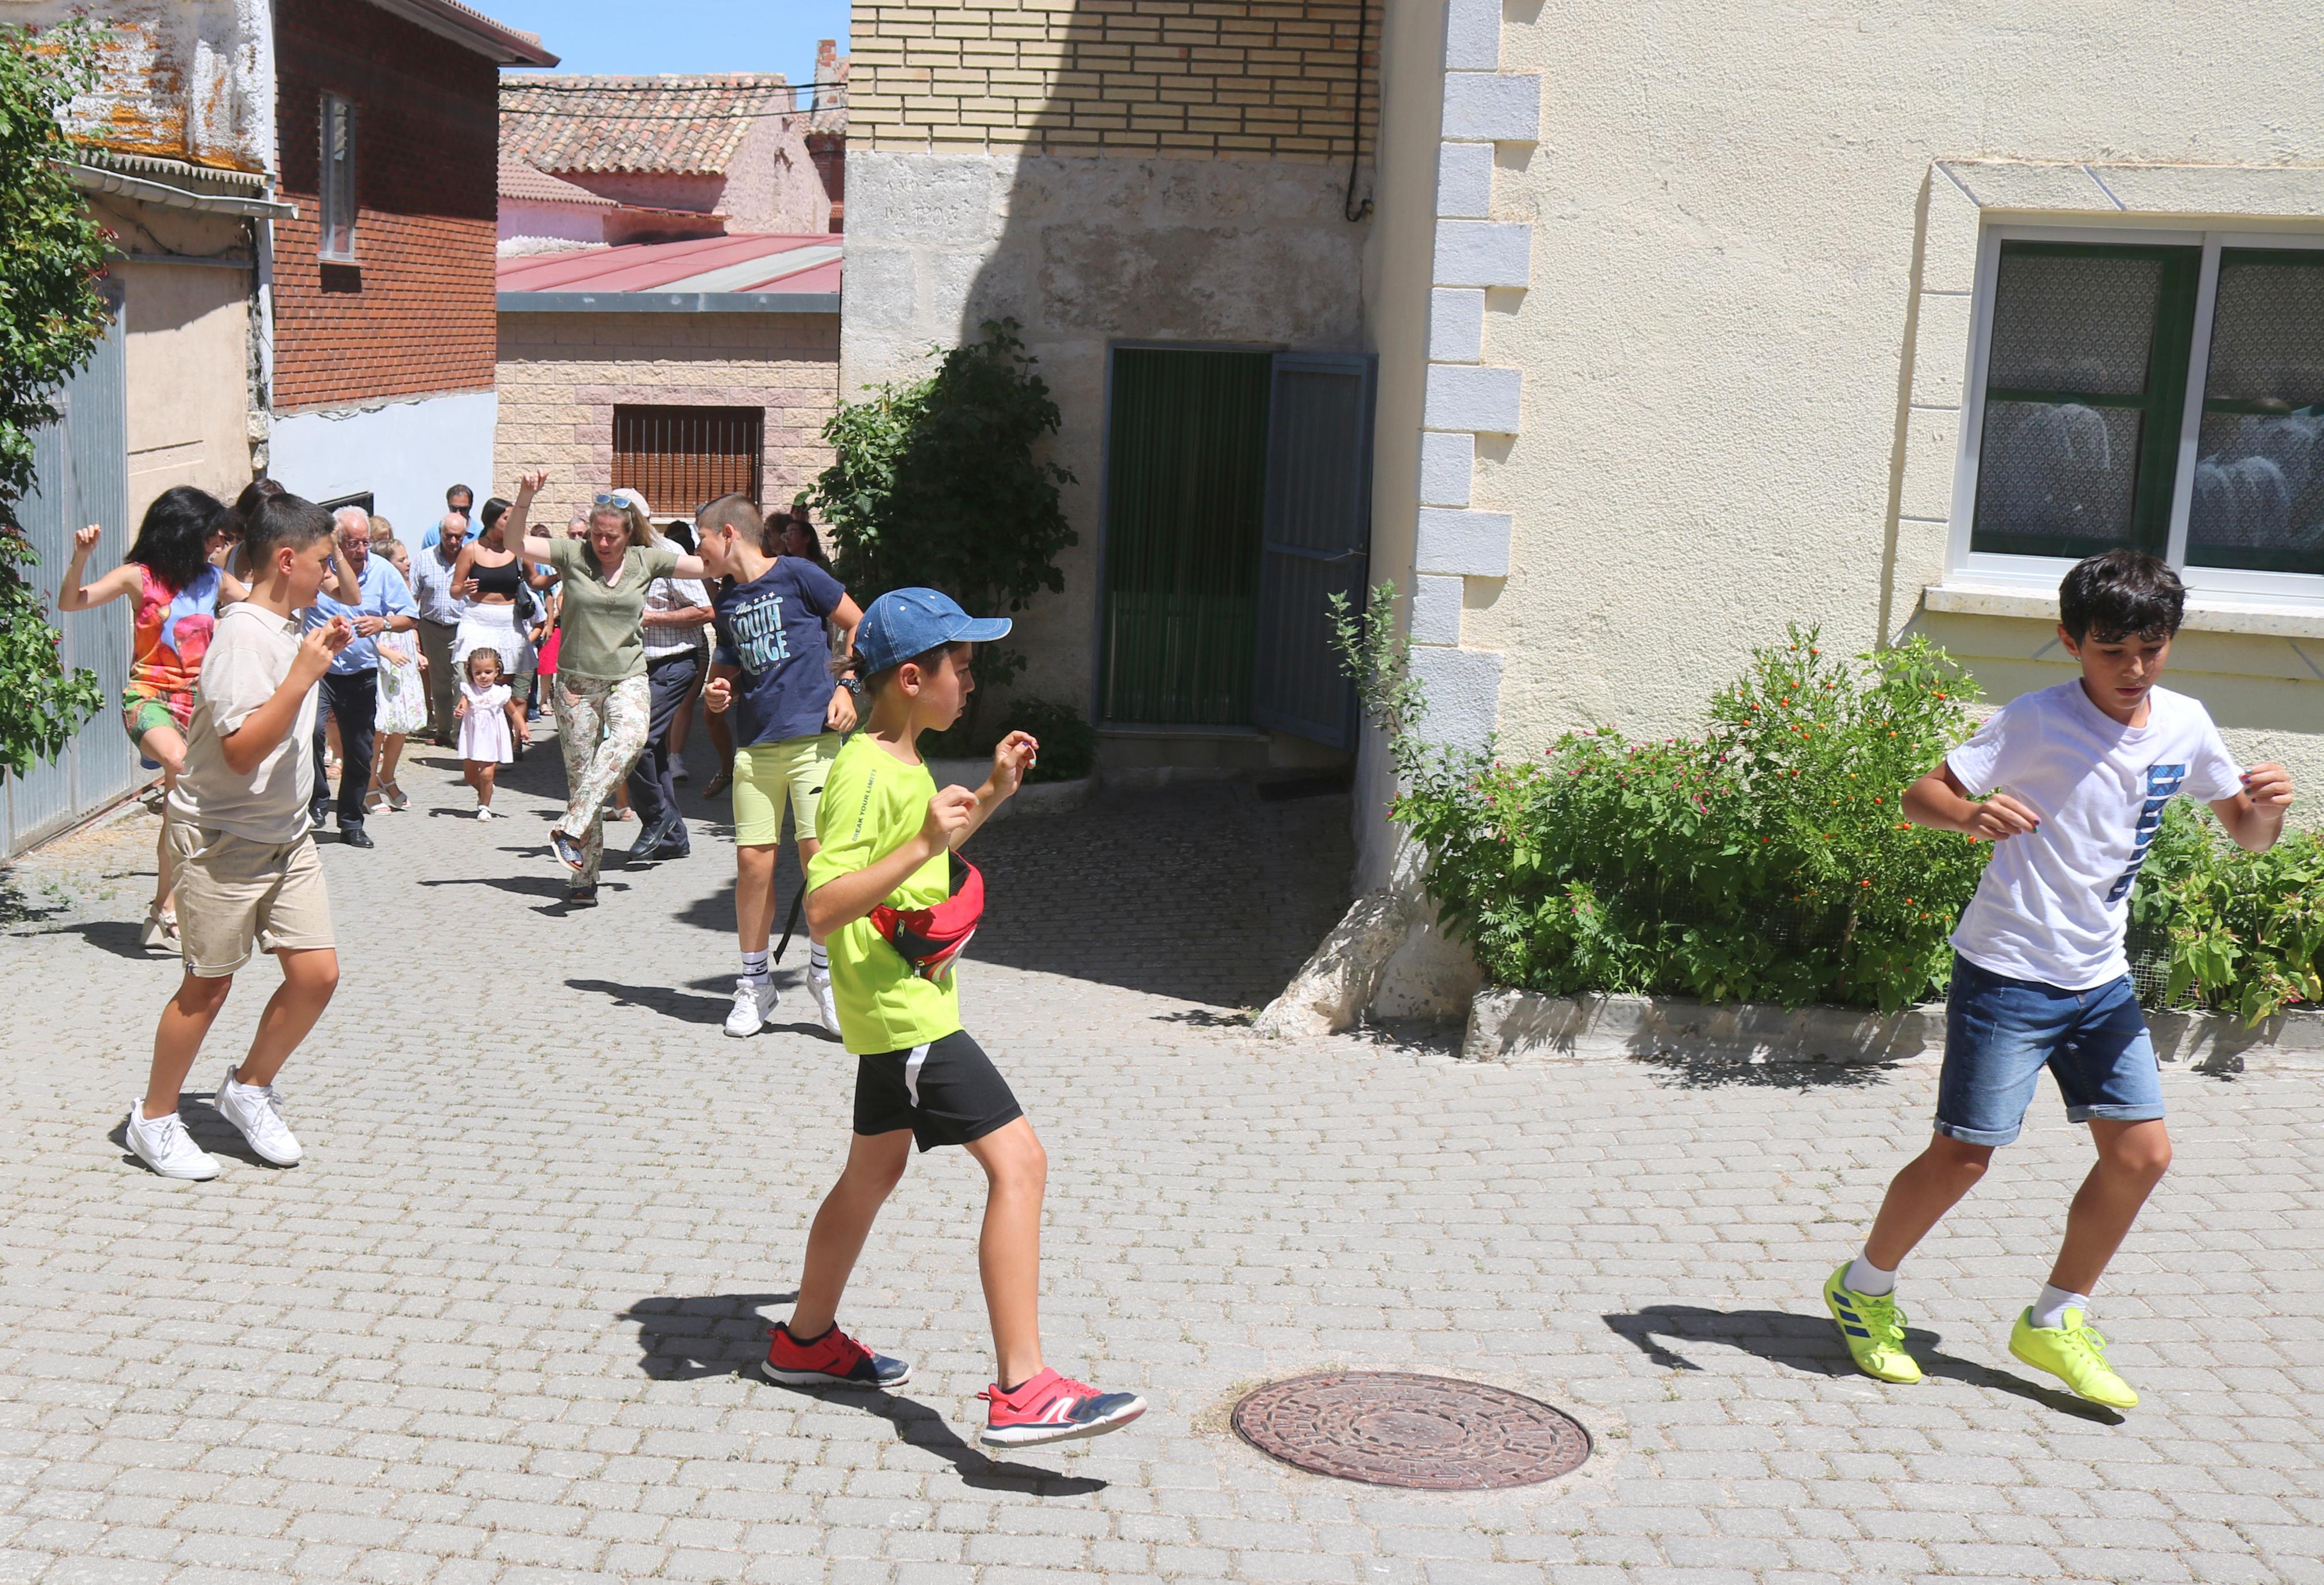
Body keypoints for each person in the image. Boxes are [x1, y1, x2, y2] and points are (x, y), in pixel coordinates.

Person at [1827, 550, 2296, 1410]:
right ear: (2069, 642)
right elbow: (1916, 795)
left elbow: (2247, 834)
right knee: (1965, 1154)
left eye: (2150, 648)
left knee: (2141, 1154)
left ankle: (2054, 1317)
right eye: (2110, 649)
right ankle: (1861, 1286)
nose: (2132, 668)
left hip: (2099, 978)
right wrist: (1969, 814)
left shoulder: (2184, 724)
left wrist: (2262, 807)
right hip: (2007, 972)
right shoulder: (2035, 720)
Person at [769, 587, 1146, 1450]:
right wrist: (921, 844)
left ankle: (804, 1340)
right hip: (909, 1019)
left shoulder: (901, 764)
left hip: (898, 1011)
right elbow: (824, 905)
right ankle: (1024, 1386)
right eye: (960, 667)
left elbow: (918, 855)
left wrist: (993, 792)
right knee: (1021, 1164)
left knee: (871, 1174)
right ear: (910, 678)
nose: (971, 682)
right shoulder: (866, 772)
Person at [125, 492, 352, 1180]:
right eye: (321, 564)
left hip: (287, 837)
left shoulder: (290, 627)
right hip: (222, 841)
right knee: (208, 988)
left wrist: (316, 654)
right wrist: (304, 675)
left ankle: (248, 1089)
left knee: (317, 975)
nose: (331, 578)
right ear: (286, 561)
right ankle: (155, 1120)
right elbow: (240, 753)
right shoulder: (241, 637)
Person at [507, 473, 717, 905]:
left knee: (631, 738)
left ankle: (570, 825)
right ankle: (583, 879)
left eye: (610, 537)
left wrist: (729, 536)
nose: (601, 544)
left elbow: (710, 567)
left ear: (628, 534)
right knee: (584, 776)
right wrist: (527, 497)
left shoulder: (647, 559)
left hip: (628, 677)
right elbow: (515, 542)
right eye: (596, 535)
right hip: (575, 687)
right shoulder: (572, 554)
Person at [694, 495, 861, 1037]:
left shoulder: (799, 574)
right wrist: (719, 692)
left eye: (700, 539)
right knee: (753, 867)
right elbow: (728, 665)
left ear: (726, 534)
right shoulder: (727, 599)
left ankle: (823, 973)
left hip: (814, 741)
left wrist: (847, 686)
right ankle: (754, 985)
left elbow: (859, 624)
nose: (698, 552)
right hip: (756, 747)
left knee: (820, 862)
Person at [55, 487, 242, 949]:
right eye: (211, 533)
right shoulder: (138, 577)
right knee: (182, 767)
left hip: (200, 705)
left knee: (179, 813)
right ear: (184, 531)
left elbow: (260, 608)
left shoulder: (214, 579)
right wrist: (80, 556)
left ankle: (165, 910)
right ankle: (176, 904)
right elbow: (71, 602)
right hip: (149, 698)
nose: (217, 542)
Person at [305, 506, 417, 850]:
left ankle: (352, 821)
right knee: (312, 731)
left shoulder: (383, 572)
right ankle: (317, 801)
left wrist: (382, 623)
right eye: (351, 542)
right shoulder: (320, 569)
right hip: (320, 668)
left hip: (361, 671)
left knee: (359, 748)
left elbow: (410, 616)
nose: (359, 550)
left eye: (364, 542)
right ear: (337, 541)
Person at [627, 543, 713, 861]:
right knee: (654, 750)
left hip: (674, 663)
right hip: (636, 668)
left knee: (636, 742)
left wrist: (653, 618)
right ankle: (673, 838)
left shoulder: (666, 551)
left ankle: (657, 819)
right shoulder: (610, 558)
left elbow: (705, 610)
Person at [367, 537, 427, 813]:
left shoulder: (405, 587)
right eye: (401, 560)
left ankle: (387, 776)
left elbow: (411, 619)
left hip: (403, 664)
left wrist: (417, 649)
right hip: (380, 662)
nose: (408, 563)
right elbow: (360, 631)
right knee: (379, 729)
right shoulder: (372, 587)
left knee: (401, 726)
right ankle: (368, 788)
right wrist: (385, 653)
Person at [406, 511, 470, 745]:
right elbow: (412, 597)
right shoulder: (424, 559)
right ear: (441, 533)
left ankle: (460, 735)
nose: (453, 542)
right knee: (439, 682)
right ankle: (443, 731)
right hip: (431, 627)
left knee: (461, 680)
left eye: (458, 537)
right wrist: (412, 631)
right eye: (448, 536)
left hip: (461, 628)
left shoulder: (470, 558)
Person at [455, 648, 527, 818]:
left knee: (487, 774)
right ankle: (486, 790)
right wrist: (460, 711)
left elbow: (514, 712)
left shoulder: (500, 693)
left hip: (492, 738)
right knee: (471, 777)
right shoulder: (469, 691)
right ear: (471, 673)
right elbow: (462, 705)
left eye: (488, 672)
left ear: (497, 672)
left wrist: (523, 729)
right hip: (472, 737)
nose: (483, 676)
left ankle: (485, 806)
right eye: (478, 672)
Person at [417, 483, 475, 550]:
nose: (458, 513)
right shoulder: (433, 534)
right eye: (454, 508)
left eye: (464, 509)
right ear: (448, 504)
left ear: (471, 506)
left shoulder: (480, 534)